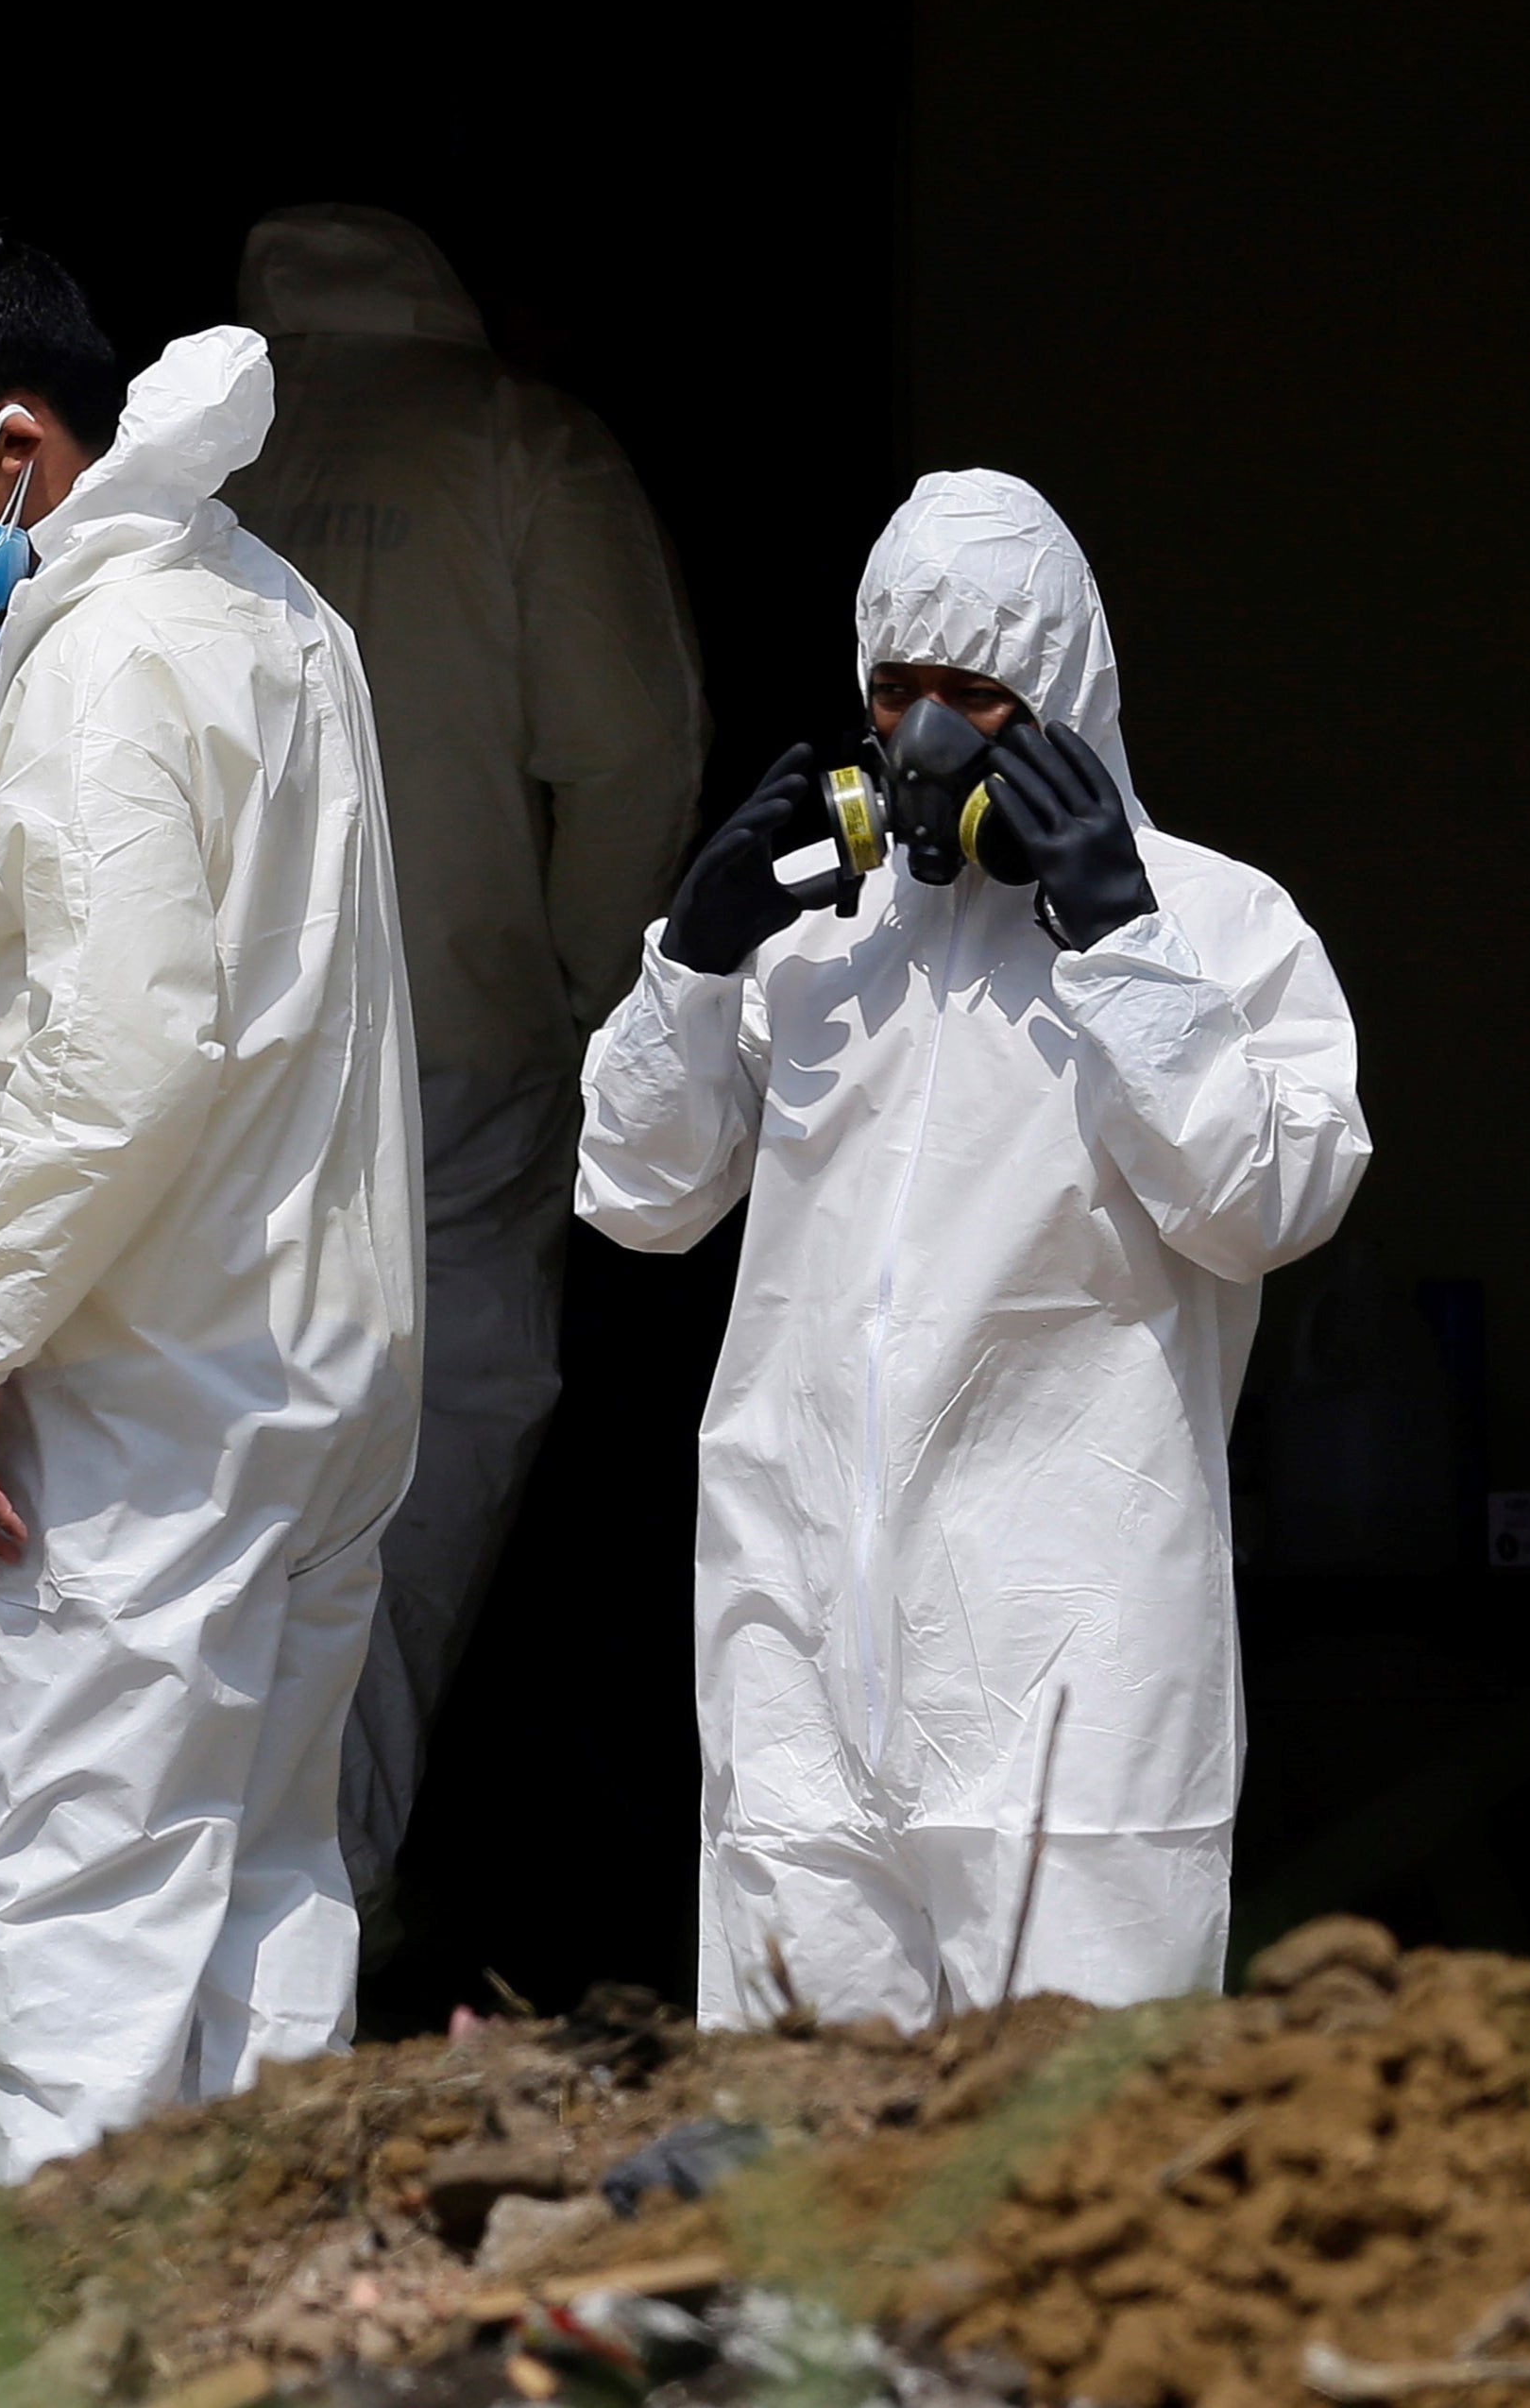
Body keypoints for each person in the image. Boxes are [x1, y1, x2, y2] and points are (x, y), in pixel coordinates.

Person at [576, 468, 1366, 2031]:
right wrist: (692, 954)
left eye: (978, 693)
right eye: (897, 690)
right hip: (797, 1667)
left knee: (1074, 2189)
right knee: (801, 2173)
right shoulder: (818, 937)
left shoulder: (1217, 924)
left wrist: (1126, 947)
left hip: (1072, 1687)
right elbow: (635, 1192)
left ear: (1064, 695)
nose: (928, 734)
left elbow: (1267, 1205)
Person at [0, 225, 423, 2182]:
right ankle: (258, 2341)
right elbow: (231, 975)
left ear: (14, 440)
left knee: (75, 1902)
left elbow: (137, 1060)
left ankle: (66, 2341)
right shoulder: (258, 607)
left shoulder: (102, 656)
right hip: (310, 1369)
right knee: (265, 1892)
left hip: (146, 1388)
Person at [218, 205, 706, 1913]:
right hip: (449, 1058)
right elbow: (633, 755)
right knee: (406, 1488)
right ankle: (317, 1906)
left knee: (203, 1509)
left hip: (195, 1085)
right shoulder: (518, 442)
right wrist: (590, 1005)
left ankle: (203, 1944)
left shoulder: (191, 458)